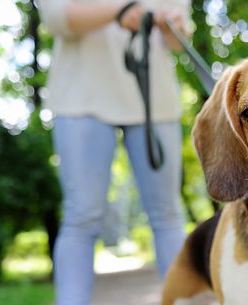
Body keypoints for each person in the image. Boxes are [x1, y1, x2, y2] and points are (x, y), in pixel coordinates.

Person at [38, 1, 189, 304]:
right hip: (80, 96)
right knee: (81, 216)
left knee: (168, 214)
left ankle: (182, 299)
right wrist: (121, 10)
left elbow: (178, 42)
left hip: (154, 101)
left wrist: (170, 23)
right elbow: (56, 18)